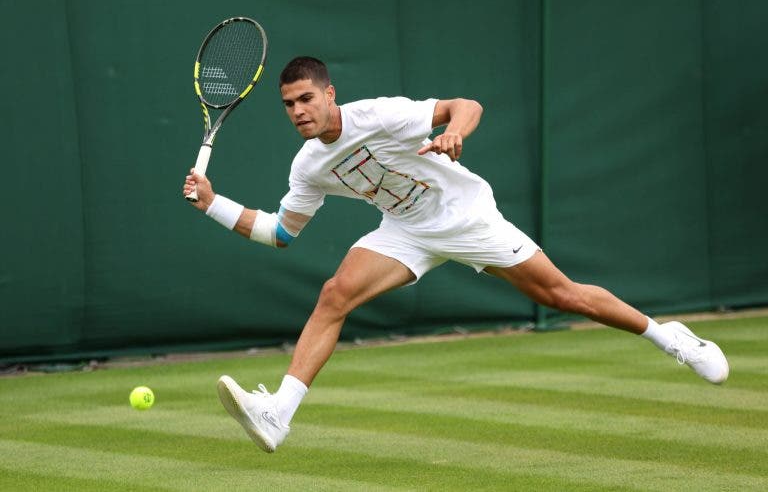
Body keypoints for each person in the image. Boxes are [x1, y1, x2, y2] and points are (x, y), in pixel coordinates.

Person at [182, 56, 729, 453]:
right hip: (405, 229)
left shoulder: (380, 114)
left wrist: (454, 134)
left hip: (465, 216)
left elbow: (464, 106)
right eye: (288, 105)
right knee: (334, 295)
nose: (298, 111)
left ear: (329, 95)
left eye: (306, 98)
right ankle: (279, 413)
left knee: (562, 295)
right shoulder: (308, 167)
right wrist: (213, 205)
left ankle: (670, 337)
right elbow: (281, 232)